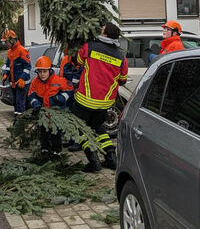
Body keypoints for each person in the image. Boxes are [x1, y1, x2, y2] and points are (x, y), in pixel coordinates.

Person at [72, 23, 128, 172]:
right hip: (104, 103)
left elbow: (77, 61)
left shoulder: (90, 47)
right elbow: (122, 80)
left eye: (102, 29)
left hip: (85, 99)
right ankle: (111, 158)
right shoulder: (121, 57)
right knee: (98, 127)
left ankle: (93, 161)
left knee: (80, 128)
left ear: (105, 34)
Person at [27, 55, 74, 155]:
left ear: (50, 70)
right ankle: (45, 149)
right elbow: (31, 95)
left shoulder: (58, 80)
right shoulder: (35, 82)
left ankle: (56, 151)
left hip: (56, 113)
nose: (42, 74)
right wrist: (36, 104)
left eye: (44, 71)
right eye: (40, 71)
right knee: (43, 132)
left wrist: (61, 98)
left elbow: (70, 90)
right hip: (43, 113)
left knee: (55, 133)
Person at [1, 29, 31, 122]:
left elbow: (28, 67)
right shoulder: (10, 51)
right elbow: (8, 65)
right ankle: (17, 120)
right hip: (14, 83)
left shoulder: (22, 50)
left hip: (22, 83)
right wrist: (5, 74)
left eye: (6, 42)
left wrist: (22, 79)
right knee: (15, 102)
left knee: (20, 102)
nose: (5, 44)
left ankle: (20, 122)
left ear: (11, 40)